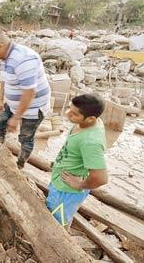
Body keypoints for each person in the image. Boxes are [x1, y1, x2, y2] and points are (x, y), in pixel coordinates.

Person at [0, 30, 51, 168]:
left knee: (25, 137)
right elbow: (5, 81)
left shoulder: (24, 59)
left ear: (0, 46)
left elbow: (30, 93)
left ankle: (20, 164)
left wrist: (16, 118)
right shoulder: (4, 58)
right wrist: (1, 101)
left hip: (33, 107)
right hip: (14, 103)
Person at [47, 94, 108, 228]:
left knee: (58, 222)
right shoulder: (89, 122)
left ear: (91, 118)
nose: (67, 114)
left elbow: (101, 178)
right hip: (61, 183)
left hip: (66, 192)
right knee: (55, 214)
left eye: (74, 114)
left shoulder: (90, 142)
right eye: (69, 108)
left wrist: (80, 185)